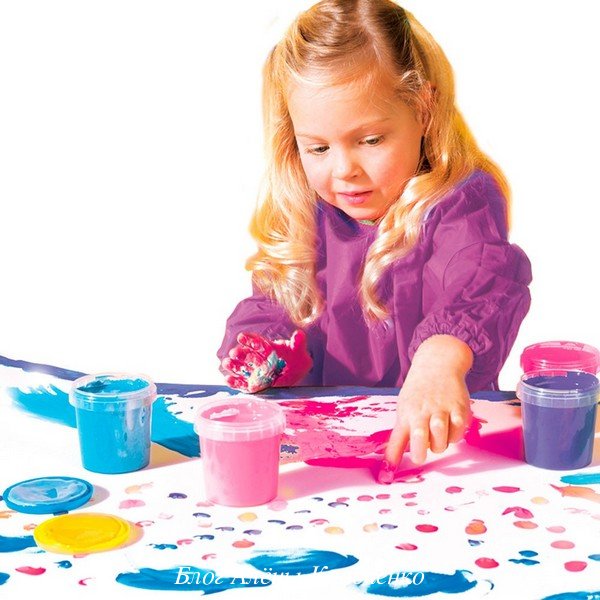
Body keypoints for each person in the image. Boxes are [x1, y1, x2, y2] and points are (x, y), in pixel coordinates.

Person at [217, 0, 532, 481]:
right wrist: (265, 348)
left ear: (423, 109)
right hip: (329, 451)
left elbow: (482, 282)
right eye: (318, 147)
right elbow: (278, 300)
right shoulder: (307, 207)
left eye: (370, 140)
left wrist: (440, 358)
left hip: (437, 449)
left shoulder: (461, 201)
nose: (344, 169)